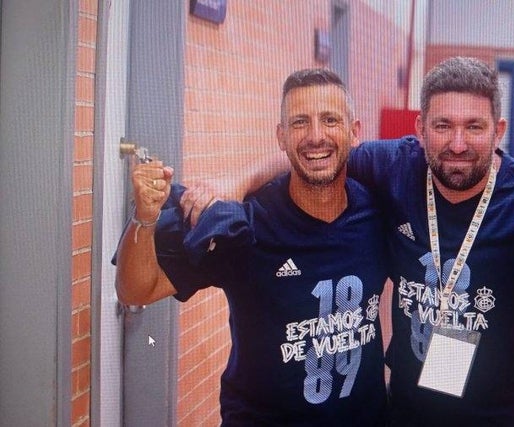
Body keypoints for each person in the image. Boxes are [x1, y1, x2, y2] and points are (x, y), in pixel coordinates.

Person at [189, 56, 514, 426]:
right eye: (442, 126)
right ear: (419, 129)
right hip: (409, 412)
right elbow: (317, 154)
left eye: (474, 127)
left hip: (498, 415)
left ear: (499, 131)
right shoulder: (395, 165)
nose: (457, 143)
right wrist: (235, 182)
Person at [115, 68, 389, 426]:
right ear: (281, 137)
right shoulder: (244, 225)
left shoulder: (379, 211)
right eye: (299, 123)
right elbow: (137, 288)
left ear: (355, 132)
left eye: (330, 120)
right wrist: (146, 218)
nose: (316, 136)